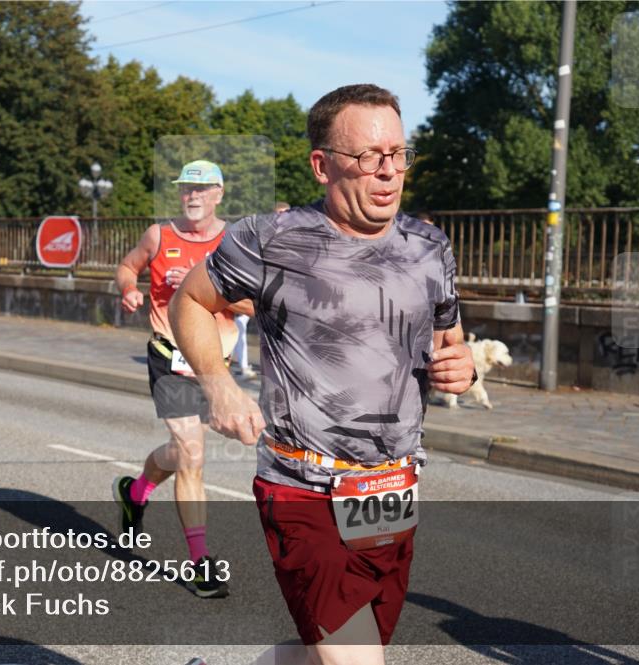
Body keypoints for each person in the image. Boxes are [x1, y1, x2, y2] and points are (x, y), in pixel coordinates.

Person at [169, 85, 475, 662]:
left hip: (392, 490)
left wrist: (462, 366)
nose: (387, 173)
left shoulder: (430, 247)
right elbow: (191, 300)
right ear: (322, 166)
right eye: (366, 158)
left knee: (324, 653)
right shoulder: (269, 239)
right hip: (303, 489)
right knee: (356, 659)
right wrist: (219, 385)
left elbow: (448, 342)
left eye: (398, 155)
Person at [112, 159, 252, 599]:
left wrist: (200, 288)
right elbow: (126, 266)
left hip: (214, 362)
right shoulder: (160, 235)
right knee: (193, 453)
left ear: (218, 194)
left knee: (180, 451)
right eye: (186, 189)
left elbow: (253, 305)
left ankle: (135, 491)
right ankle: (200, 564)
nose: (192, 196)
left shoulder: (235, 241)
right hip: (167, 354)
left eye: (201, 189)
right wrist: (129, 290)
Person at [232, 202, 290, 381]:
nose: (281, 217)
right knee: (239, 327)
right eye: (278, 213)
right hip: (255, 290)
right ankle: (242, 366)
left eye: (285, 213)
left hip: (281, 293)